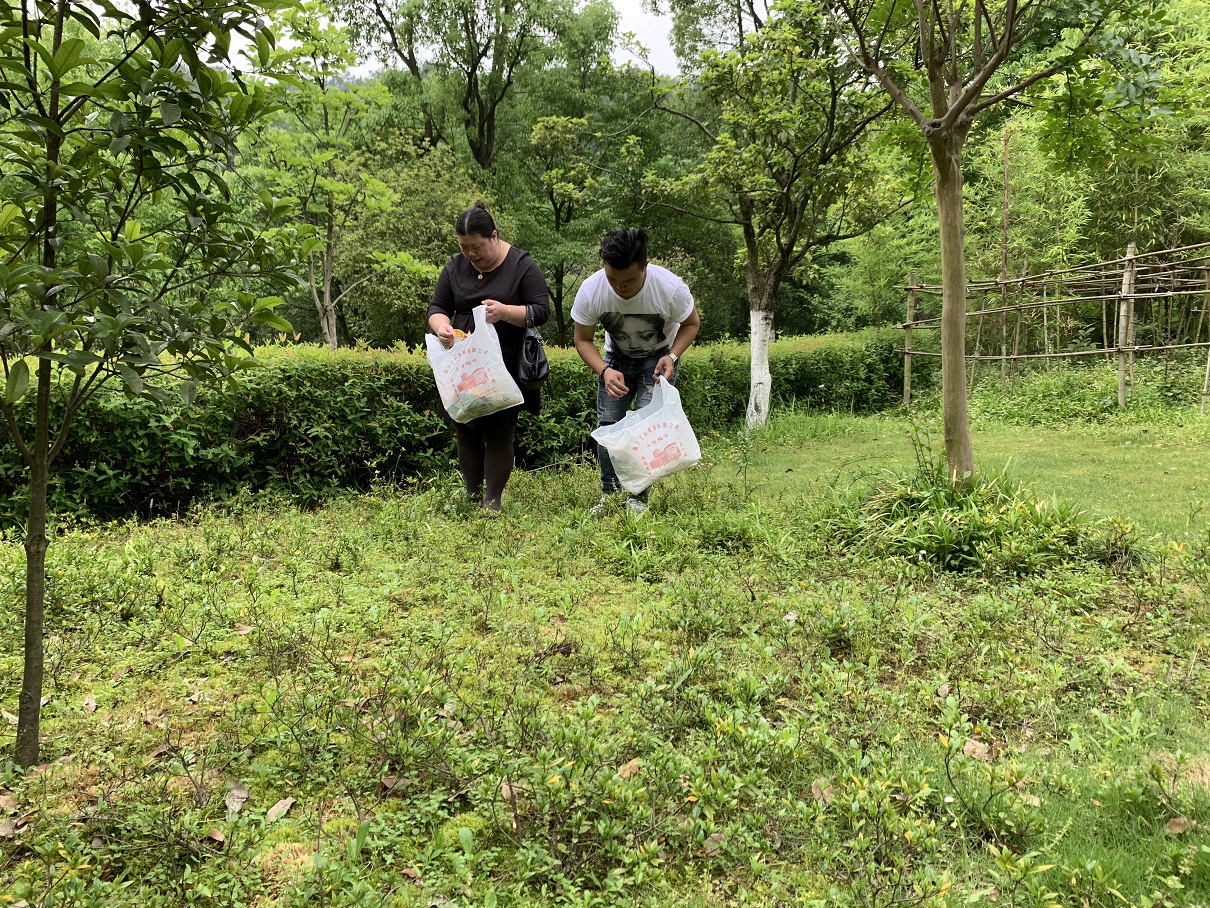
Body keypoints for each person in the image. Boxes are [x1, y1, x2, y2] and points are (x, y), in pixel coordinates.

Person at [428, 201, 550, 512]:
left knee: (499, 432)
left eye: (477, 247)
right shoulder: (454, 267)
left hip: (504, 362)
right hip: (464, 363)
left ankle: (492, 500)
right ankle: (471, 494)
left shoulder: (522, 265)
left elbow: (541, 310)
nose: (471, 254)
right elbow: (437, 307)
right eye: (464, 247)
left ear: (494, 236)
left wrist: (506, 312)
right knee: (465, 428)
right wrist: (442, 327)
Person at [572, 227, 700, 514]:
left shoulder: (670, 288)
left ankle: (638, 498)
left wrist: (673, 356)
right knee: (609, 426)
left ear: (645, 266)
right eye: (612, 279)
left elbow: (691, 323)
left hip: (658, 359)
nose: (620, 288)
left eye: (629, 280)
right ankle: (609, 495)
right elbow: (582, 340)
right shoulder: (591, 290)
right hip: (615, 360)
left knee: (646, 427)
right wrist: (604, 371)